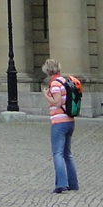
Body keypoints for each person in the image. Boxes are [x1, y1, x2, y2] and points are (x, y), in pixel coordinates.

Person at [44, 58, 79, 193]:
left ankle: (61, 184)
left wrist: (46, 96)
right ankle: (73, 183)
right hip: (70, 120)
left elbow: (57, 102)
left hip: (59, 122)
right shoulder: (65, 81)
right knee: (67, 154)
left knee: (57, 153)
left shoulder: (55, 83)